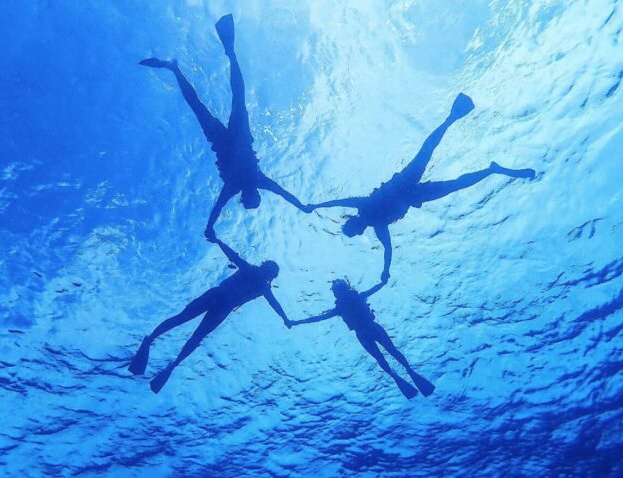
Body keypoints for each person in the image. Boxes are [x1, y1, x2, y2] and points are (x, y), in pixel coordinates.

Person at [309, 93, 536, 282]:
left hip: (404, 183)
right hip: (414, 195)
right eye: (355, 230)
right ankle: (492, 169)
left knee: (426, 152)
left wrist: (316, 205)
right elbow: (387, 250)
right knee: (453, 185)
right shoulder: (377, 225)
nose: (357, 227)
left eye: (352, 226)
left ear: (352, 221)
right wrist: (386, 270)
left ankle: (452, 118)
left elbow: (338, 202)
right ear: (359, 231)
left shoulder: (364, 207)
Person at [140, 14, 310, 240]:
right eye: (256, 198)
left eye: (250, 200)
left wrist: (210, 227)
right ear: (258, 194)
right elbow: (284, 195)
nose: (253, 196)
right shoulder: (259, 180)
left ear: (246, 198)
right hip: (240, 138)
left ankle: (174, 68)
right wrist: (302, 206)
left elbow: (217, 209)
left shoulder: (233, 187)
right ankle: (229, 49)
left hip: (221, 143)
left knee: (199, 106)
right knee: (235, 97)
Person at [128, 238, 292, 393]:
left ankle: (171, 362)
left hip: (222, 306)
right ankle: (151, 342)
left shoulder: (262, 286)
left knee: (196, 335)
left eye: (271, 272)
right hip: (217, 299)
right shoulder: (251, 272)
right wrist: (218, 241)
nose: (267, 272)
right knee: (182, 320)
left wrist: (285, 318)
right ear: (264, 268)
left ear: (271, 276)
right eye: (268, 269)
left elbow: (274, 304)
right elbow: (233, 256)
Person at [290, 279, 435, 400]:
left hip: (366, 331)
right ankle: (401, 373)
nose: (338, 292)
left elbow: (318, 318)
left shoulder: (348, 303)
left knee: (387, 354)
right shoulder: (355, 299)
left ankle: (403, 373)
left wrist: (296, 322)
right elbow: (318, 318)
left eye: (338, 289)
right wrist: (384, 280)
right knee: (385, 355)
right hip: (369, 330)